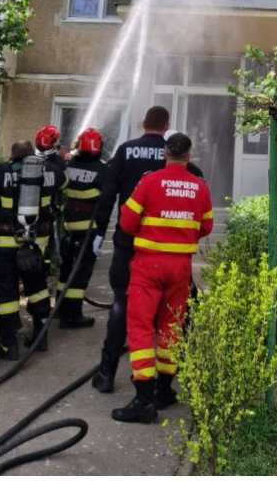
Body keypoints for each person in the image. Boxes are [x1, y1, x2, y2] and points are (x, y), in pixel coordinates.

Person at [89, 105, 203, 393]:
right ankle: (164, 385)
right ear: (167, 126)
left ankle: (106, 373)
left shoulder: (126, 151)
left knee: (122, 306)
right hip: (170, 252)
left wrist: (99, 232)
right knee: (170, 318)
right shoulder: (178, 159)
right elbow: (196, 181)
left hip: (129, 245)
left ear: (143, 123)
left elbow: (107, 195)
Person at [111, 132, 212, 424]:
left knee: (141, 327)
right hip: (180, 268)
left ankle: (143, 400)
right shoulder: (199, 187)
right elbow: (205, 227)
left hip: (148, 266)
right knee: (172, 326)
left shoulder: (149, 181)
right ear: (189, 155)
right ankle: (164, 390)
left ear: (164, 154)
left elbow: (126, 223)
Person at [0, 139, 65, 359]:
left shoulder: (2, 172)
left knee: (7, 295)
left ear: (13, 155)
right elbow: (65, 182)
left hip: (7, 244)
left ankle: (9, 346)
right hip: (37, 244)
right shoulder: (51, 172)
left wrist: (5, 168)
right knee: (37, 289)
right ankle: (40, 337)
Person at [53, 126, 105, 329]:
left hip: (68, 227)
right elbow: (106, 201)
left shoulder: (69, 164)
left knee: (65, 269)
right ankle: (72, 316)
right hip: (88, 230)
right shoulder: (102, 171)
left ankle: (59, 308)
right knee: (80, 272)